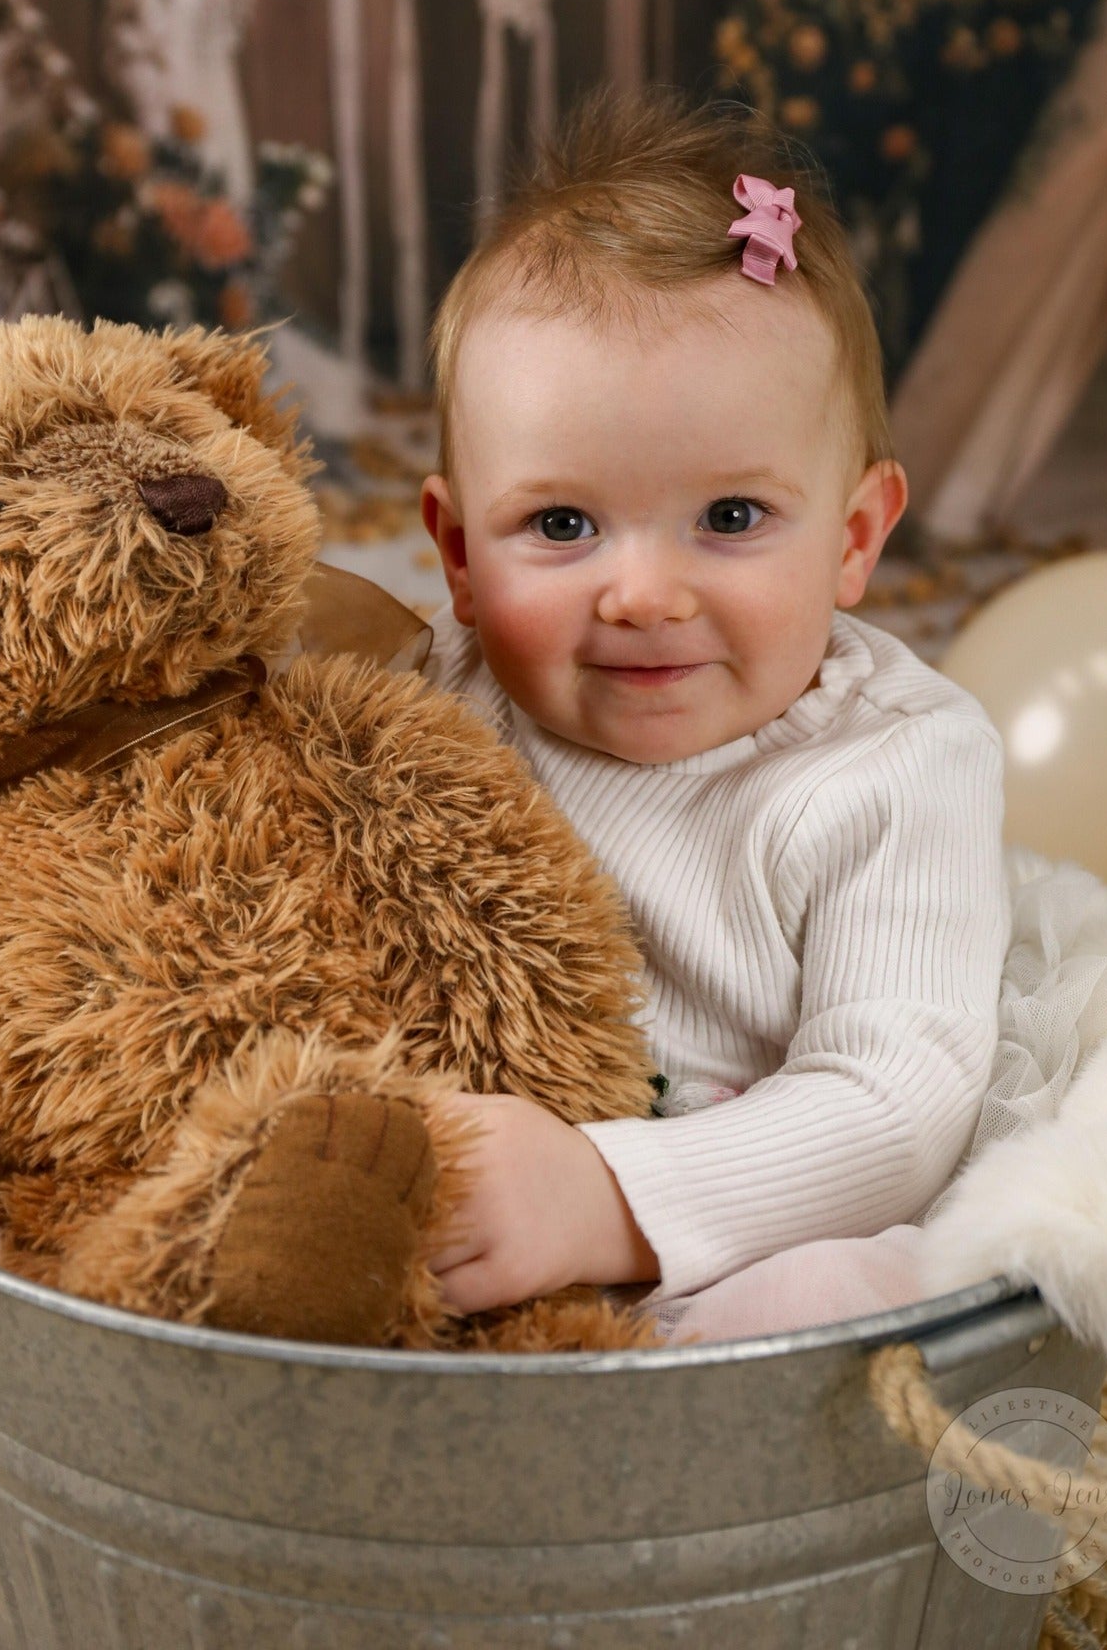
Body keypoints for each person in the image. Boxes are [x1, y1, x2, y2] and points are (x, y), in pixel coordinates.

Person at [416, 86, 1008, 1326]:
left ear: (854, 538)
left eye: (730, 519)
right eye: (562, 524)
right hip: (431, 1200)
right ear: (460, 552)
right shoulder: (434, 695)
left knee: (861, 1290)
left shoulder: (893, 765)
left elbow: (894, 1098)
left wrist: (603, 1195)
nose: (642, 593)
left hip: (717, 1240)